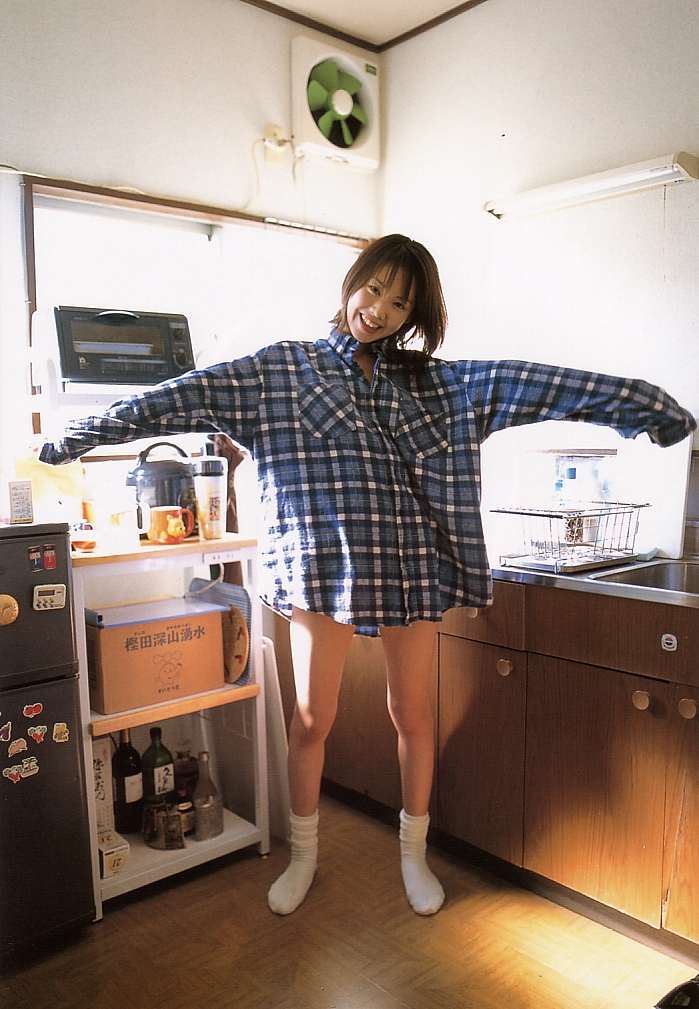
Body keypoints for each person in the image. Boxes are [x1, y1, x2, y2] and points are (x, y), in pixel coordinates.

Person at [39, 234, 696, 917]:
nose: (378, 309)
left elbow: (537, 384)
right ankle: (303, 855)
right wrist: (68, 440)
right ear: (353, 282)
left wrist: (648, 408)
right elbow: (172, 398)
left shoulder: (436, 385)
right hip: (321, 574)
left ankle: (413, 854)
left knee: (412, 714)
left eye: (399, 303)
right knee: (311, 717)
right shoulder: (281, 371)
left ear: (415, 315)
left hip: (410, 572)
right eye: (373, 288)